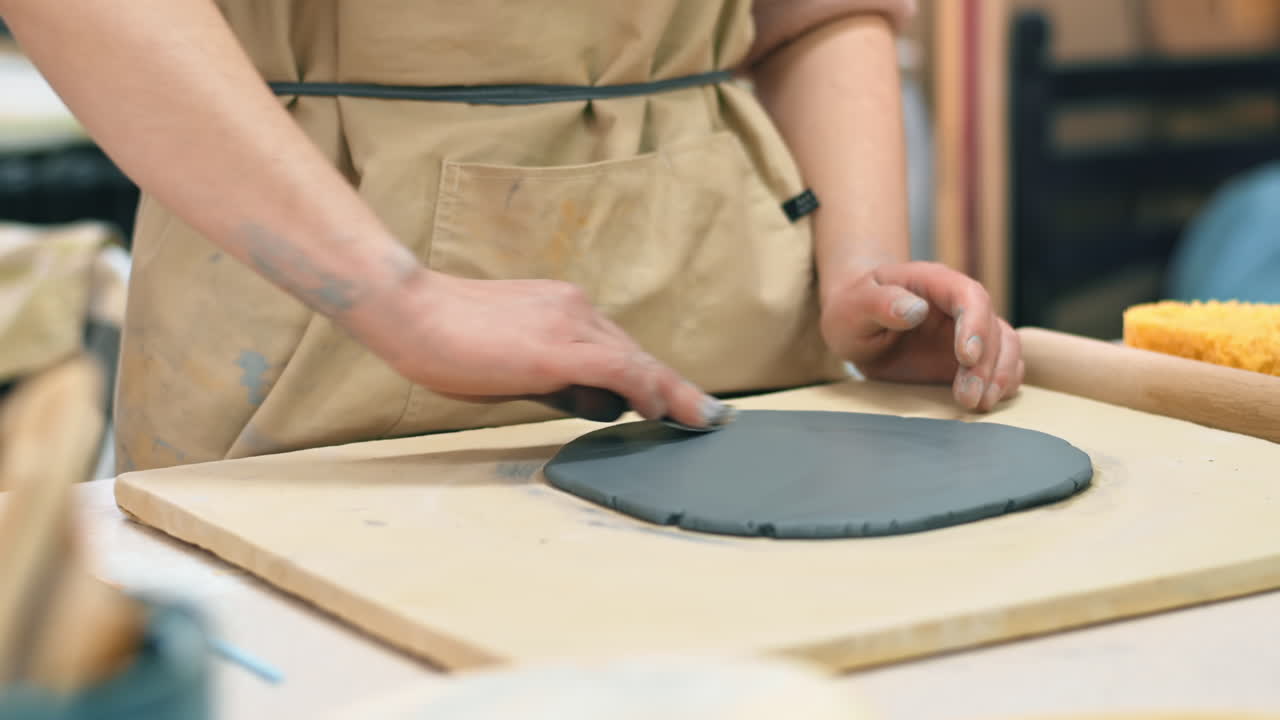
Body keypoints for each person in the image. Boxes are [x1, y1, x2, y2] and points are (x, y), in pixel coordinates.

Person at [0, 0, 1023, 473]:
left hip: (738, 288)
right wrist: (400, 300)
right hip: (320, 294)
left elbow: (816, 12)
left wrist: (859, 268)